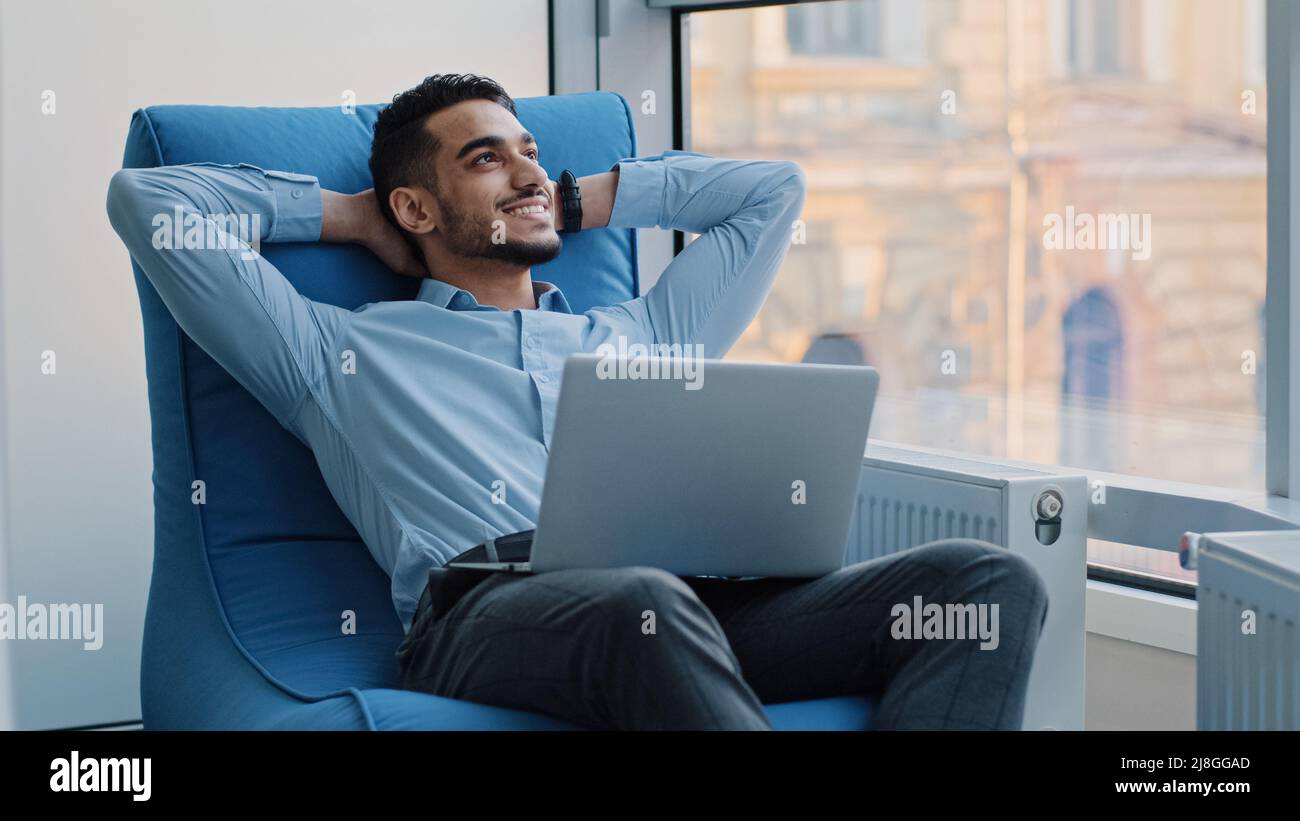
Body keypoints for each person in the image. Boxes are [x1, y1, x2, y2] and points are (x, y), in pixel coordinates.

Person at [106, 73, 1048, 730]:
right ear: (415, 209)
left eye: (531, 153)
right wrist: (351, 215)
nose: (524, 172)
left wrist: (570, 196)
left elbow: (771, 192)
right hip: (489, 612)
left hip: (702, 603)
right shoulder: (334, 349)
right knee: (637, 600)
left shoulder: (642, 334)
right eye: (486, 160)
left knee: (988, 584)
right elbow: (148, 201)